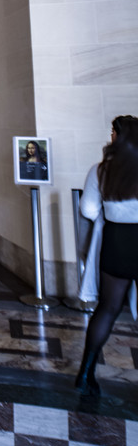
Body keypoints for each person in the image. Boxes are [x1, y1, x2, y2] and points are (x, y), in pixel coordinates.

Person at [76, 115, 138, 395]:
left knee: (108, 308)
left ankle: (85, 372)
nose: (110, 136)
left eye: (113, 131)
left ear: (118, 136)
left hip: (116, 241)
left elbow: (88, 209)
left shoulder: (100, 170)